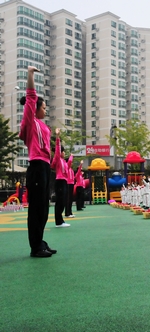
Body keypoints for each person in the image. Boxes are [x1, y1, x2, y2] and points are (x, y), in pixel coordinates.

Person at [19, 66, 55, 257]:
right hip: (36, 166)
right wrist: (30, 74)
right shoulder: (30, 122)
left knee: (44, 207)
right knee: (36, 208)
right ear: (35, 108)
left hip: (45, 167)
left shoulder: (42, 125)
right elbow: (31, 97)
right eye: (43, 107)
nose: (45, 109)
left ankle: (40, 241)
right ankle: (35, 247)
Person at [51, 128, 71, 228]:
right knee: (60, 201)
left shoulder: (63, 161)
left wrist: (71, 158)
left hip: (64, 181)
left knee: (63, 201)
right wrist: (58, 137)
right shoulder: (57, 159)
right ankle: (58, 222)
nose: (64, 153)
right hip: (59, 181)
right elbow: (57, 151)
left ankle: (61, 220)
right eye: (63, 152)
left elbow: (68, 167)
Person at [64, 154, 75, 218]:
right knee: (68, 199)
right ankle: (67, 213)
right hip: (68, 183)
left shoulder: (71, 169)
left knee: (71, 198)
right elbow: (69, 162)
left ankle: (70, 212)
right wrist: (71, 156)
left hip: (71, 184)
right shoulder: (67, 167)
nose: (72, 163)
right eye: (71, 162)